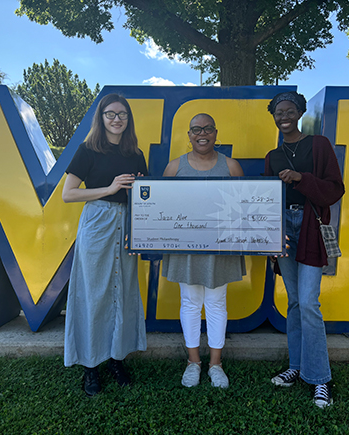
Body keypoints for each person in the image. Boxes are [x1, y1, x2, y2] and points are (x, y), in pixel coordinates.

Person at [62, 93, 148, 397]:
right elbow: (68, 194)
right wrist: (109, 188)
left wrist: (140, 190)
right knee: (93, 293)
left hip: (127, 224)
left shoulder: (135, 154)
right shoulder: (88, 150)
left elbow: (145, 197)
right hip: (97, 223)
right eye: (110, 114)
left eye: (122, 114)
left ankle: (116, 358)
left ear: (129, 119)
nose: (117, 119)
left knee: (121, 292)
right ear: (101, 118)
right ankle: (90, 366)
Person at [264, 91, 344, 408]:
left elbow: (335, 189)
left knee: (309, 303)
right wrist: (269, 237)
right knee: (295, 302)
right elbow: (267, 200)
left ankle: (320, 379)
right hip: (284, 229)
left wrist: (301, 178)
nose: (283, 116)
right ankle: (296, 367)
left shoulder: (319, 145)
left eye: (288, 111)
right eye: (277, 112)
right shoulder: (273, 156)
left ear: (299, 113)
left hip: (310, 227)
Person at [161, 113, 246, 389]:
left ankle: (216, 364)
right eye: (196, 129)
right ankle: (193, 362)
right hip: (186, 249)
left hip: (219, 249)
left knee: (217, 303)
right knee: (189, 301)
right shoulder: (174, 168)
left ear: (215, 132)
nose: (202, 133)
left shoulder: (231, 167)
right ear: (189, 134)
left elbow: (242, 211)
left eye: (208, 128)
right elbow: (161, 209)